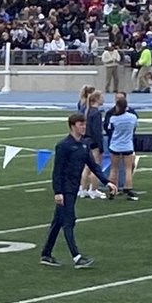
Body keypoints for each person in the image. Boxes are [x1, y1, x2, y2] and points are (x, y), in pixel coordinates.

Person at [40, 113, 117, 269]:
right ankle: (77, 257)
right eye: (80, 124)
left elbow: (94, 166)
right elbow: (57, 171)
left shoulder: (84, 145)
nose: (83, 127)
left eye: (84, 124)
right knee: (69, 221)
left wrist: (107, 182)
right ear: (72, 126)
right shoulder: (63, 146)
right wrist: (58, 192)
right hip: (65, 190)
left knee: (58, 221)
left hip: (74, 188)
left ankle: (46, 254)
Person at [106, 95, 138, 200]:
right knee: (128, 169)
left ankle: (112, 190)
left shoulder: (113, 118)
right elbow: (134, 127)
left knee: (114, 168)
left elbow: (110, 129)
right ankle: (128, 188)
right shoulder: (132, 117)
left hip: (115, 145)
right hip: (127, 145)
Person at [80, 90, 106, 200]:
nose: (103, 99)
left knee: (87, 167)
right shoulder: (96, 113)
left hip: (87, 141)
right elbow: (97, 132)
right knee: (95, 167)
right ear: (97, 99)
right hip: (94, 142)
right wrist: (100, 146)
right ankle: (93, 189)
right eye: (102, 97)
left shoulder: (88, 111)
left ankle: (83, 189)